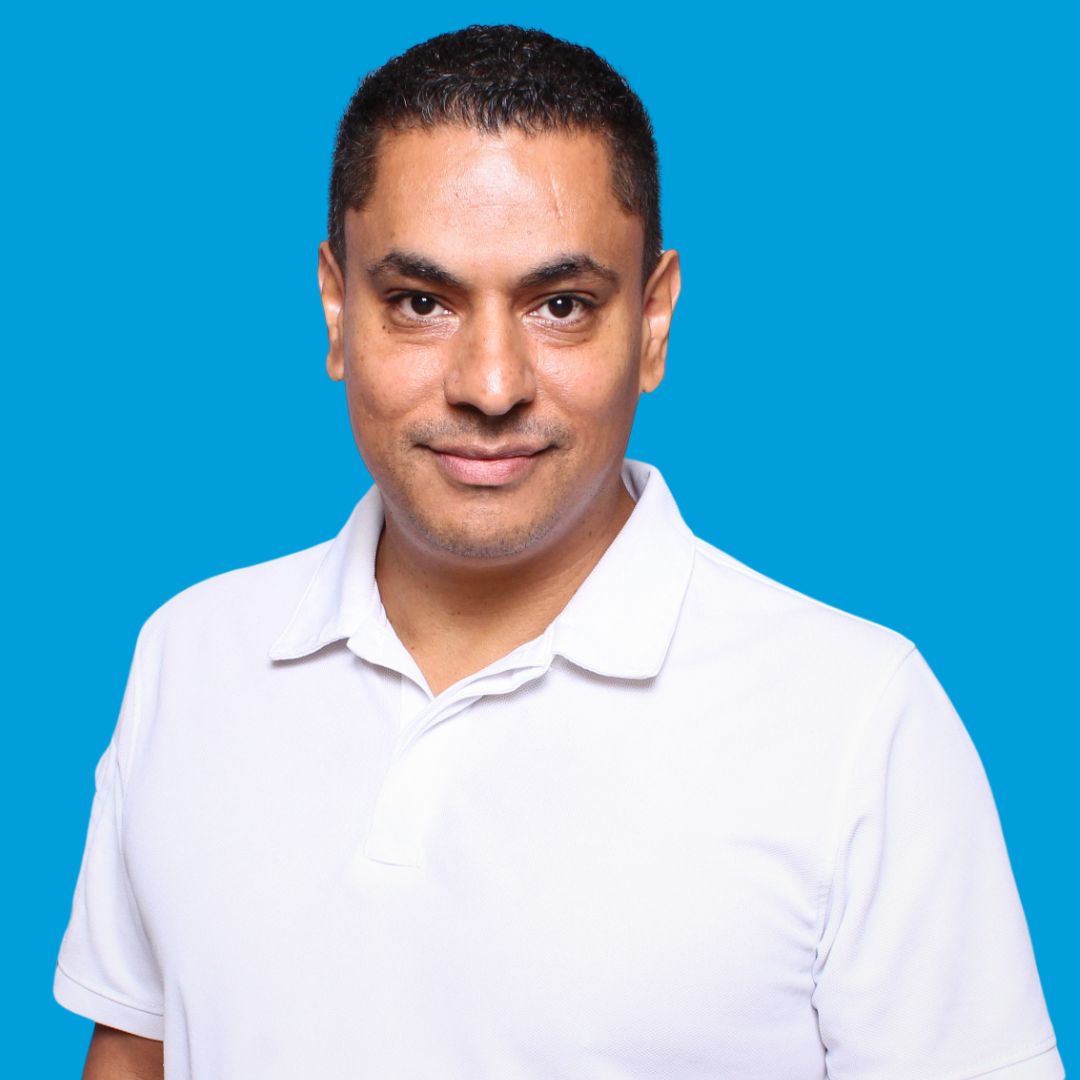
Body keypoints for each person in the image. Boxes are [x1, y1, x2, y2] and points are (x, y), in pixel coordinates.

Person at [56, 25, 1062, 1080]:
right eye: (420, 302)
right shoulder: (191, 654)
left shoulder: (860, 719)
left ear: (655, 320)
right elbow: (137, 1056)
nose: (491, 385)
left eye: (562, 306)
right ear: (337, 308)